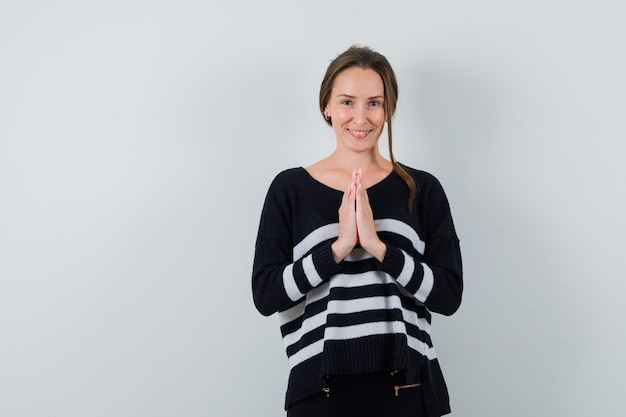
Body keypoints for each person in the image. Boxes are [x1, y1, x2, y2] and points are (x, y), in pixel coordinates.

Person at [251, 45, 463, 417]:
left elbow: (448, 296)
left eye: (373, 103)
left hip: (407, 389)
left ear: (389, 109)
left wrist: (381, 249)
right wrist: (337, 249)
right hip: (320, 391)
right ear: (326, 107)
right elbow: (267, 294)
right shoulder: (290, 189)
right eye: (347, 102)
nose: (360, 117)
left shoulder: (422, 189)